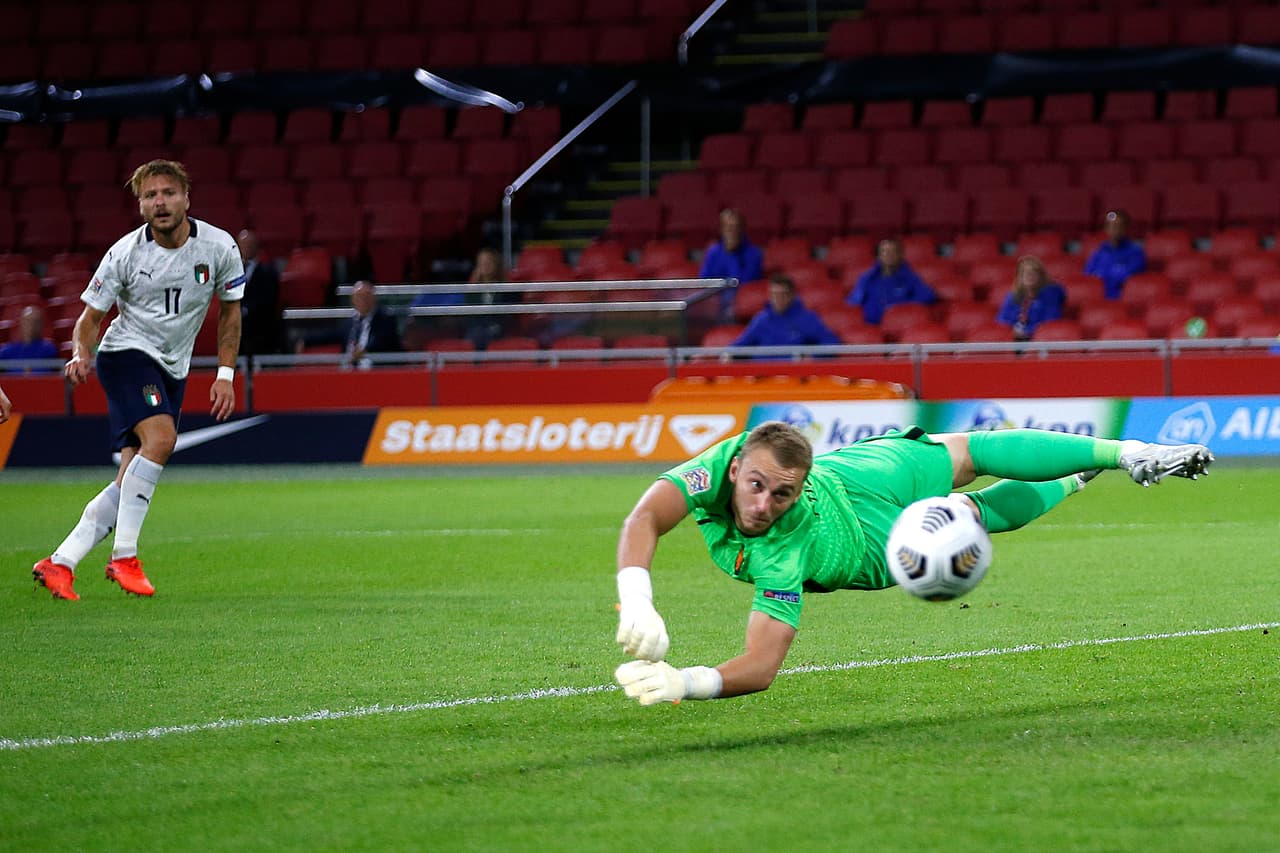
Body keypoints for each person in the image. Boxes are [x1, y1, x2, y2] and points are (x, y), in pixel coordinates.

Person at [612, 420, 1214, 705]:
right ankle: (1079, 475)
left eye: (782, 493)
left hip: (859, 504)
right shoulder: (724, 475)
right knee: (975, 510)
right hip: (861, 510)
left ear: (800, 484)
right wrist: (642, 606)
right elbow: (646, 517)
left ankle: (1129, 451)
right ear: (737, 465)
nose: (764, 505)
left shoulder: (780, 542)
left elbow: (760, 662)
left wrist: (686, 681)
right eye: (758, 487)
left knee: (968, 464)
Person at [32, 159, 246, 601]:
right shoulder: (125, 254)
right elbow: (91, 319)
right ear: (140, 205)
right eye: (150, 196)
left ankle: (61, 562)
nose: (160, 202)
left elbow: (230, 312)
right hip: (125, 355)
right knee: (162, 440)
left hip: (172, 368)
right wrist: (80, 353)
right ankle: (124, 556)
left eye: (168, 193)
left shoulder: (219, 247)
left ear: (187, 197)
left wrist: (225, 374)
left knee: (129, 475)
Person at [731, 274, 840, 348]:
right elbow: (739, 346)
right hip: (763, 377)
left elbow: (831, 342)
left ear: (791, 295)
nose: (777, 299)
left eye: (782, 294)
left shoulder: (807, 318)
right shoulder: (761, 319)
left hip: (794, 377)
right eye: (774, 294)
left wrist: (813, 356)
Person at [846, 237, 937, 325]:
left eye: (893, 251)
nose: (888, 254)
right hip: (870, 327)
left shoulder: (910, 277)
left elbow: (928, 296)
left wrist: (899, 306)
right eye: (884, 251)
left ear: (901, 254)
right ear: (878, 256)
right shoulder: (867, 277)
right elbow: (853, 301)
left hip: (899, 326)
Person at [698, 208, 764, 323]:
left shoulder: (754, 254)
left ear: (742, 229)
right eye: (727, 227)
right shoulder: (713, 252)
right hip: (715, 301)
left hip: (740, 303)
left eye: (735, 227)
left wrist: (732, 254)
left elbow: (743, 284)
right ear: (721, 229)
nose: (731, 231)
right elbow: (704, 281)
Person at [995, 255, 1066, 341]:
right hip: (1012, 340)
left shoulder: (1051, 295)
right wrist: (1012, 331)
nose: (1029, 277)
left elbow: (1050, 321)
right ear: (1019, 277)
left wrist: (1027, 331)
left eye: (1033, 273)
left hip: (1039, 340)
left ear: (1041, 276)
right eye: (1025, 273)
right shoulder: (1012, 296)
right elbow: (1002, 320)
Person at [235, 228, 282, 356]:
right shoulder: (231, 271)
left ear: (256, 247)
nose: (246, 248)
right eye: (243, 245)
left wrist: (244, 310)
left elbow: (267, 301)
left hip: (259, 327)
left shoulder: (268, 272)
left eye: (249, 245)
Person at [1084, 209, 1146, 300]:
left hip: (1121, 300)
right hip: (1097, 299)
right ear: (1106, 229)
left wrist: (1101, 275)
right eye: (1110, 226)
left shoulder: (1136, 252)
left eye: (1118, 226)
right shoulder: (1100, 251)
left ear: (1126, 228)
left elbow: (1128, 278)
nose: (1114, 230)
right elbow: (1088, 276)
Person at [343, 280, 401, 368]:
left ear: (374, 298)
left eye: (366, 297)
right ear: (353, 300)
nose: (362, 301)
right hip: (351, 371)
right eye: (359, 297)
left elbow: (381, 340)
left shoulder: (386, 318)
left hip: (378, 371)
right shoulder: (349, 322)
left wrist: (364, 350)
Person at [0, 304, 59, 368]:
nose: (31, 325)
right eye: (27, 321)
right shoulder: (8, 351)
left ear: (41, 325)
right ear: (21, 323)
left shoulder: (48, 349)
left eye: (35, 322)